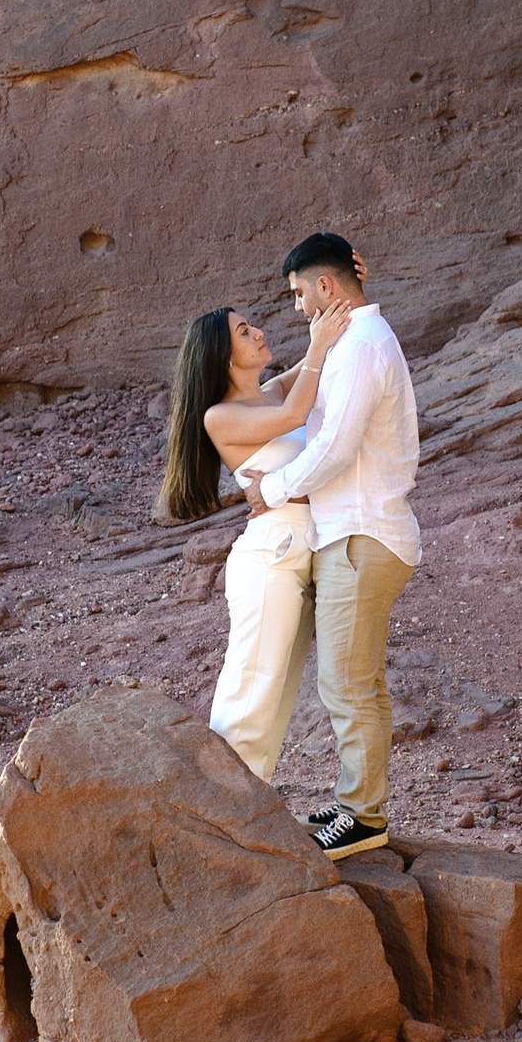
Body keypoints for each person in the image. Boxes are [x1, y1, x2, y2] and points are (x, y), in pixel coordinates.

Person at [245, 231, 419, 859]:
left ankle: (363, 817)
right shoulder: (351, 340)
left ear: (325, 286)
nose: (296, 308)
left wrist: (274, 489)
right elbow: (286, 397)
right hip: (354, 534)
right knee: (356, 681)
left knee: (347, 684)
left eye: (299, 294)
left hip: (362, 536)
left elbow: (336, 448)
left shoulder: (366, 346)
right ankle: (358, 802)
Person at [158, 296, 350, 782]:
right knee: (251, 691)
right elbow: (294, 413)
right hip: (271, 556)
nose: (259, 332)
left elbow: (310, 373)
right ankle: (218, 812)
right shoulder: (219, 415)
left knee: (278, 695)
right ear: (222, 355)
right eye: (245, 332)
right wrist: (319, 345)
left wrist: (335, 311)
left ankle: (248, 812)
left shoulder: (266, 392)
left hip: (302, 549)